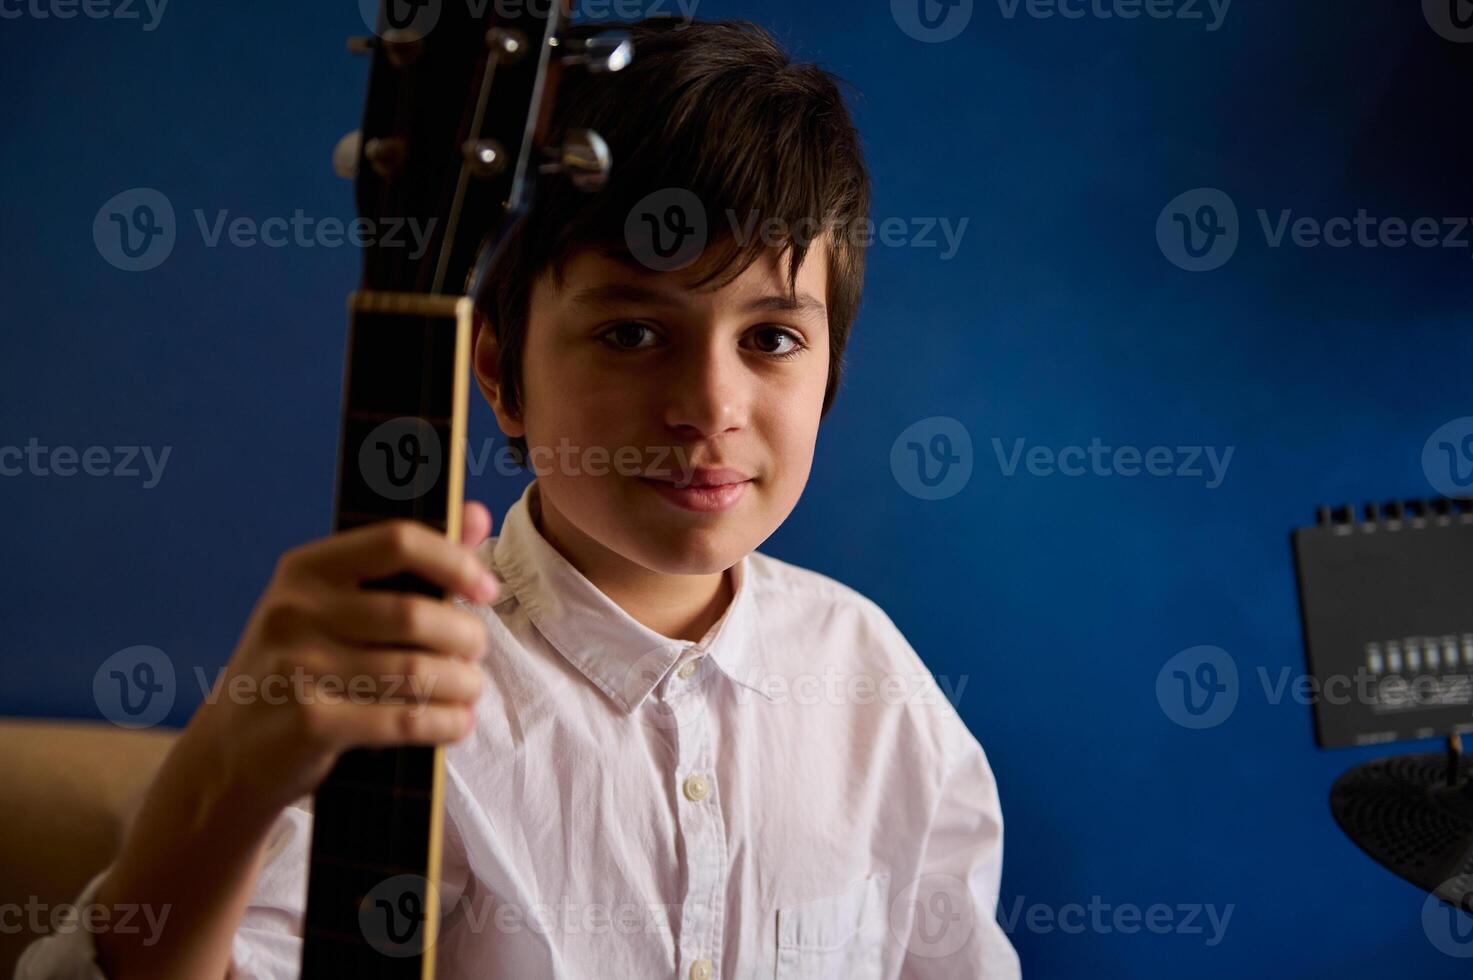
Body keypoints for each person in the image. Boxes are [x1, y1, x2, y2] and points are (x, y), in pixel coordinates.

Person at [17, 16, 1020, 979]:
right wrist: (229, 768)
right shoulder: (390, 690)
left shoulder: (885, 698)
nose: (711, 406)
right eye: (632, 332)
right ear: (498, 373)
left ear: (832, 368)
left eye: (771, 339)